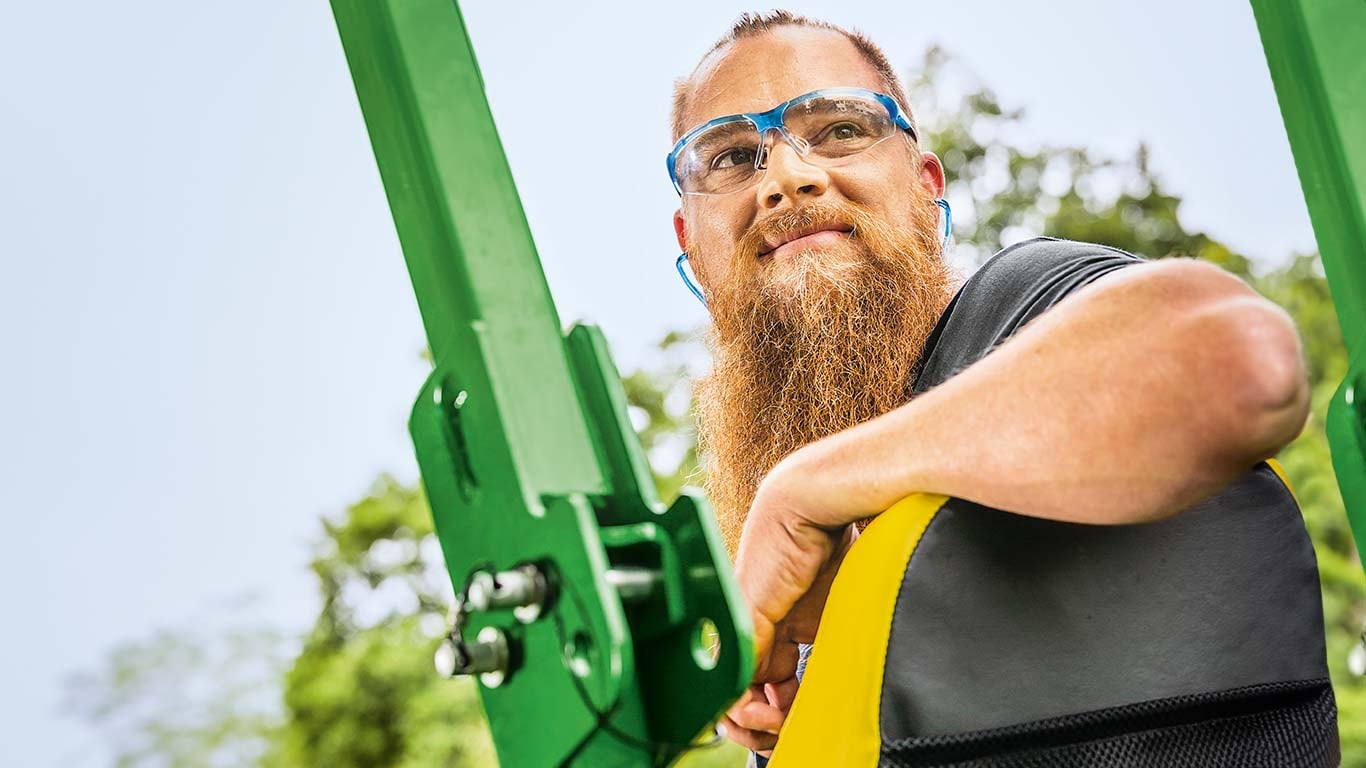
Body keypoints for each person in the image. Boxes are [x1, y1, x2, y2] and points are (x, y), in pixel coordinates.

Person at [666, 11, 1338, 764]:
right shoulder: (786, 632)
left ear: (924, 187)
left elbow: (1240, 359)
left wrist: (801, 492)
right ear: (691, 242)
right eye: (728, 157)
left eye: (839, 130)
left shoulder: (1021, 314)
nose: (786, 177)